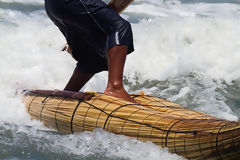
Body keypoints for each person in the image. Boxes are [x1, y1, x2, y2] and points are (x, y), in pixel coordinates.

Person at [44, 0, 136, 103]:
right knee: (120, 26)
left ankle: (67, 94)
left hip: (53, 6)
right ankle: (115, 88)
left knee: (93, 57)